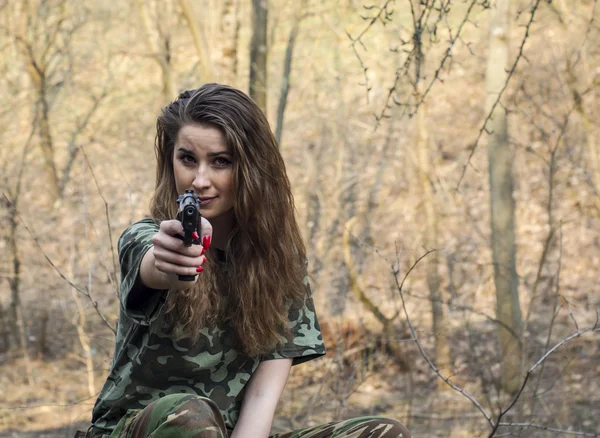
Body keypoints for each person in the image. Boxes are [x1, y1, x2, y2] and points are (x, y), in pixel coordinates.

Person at [80, 84, 411, 438]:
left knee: (386, 433)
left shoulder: (279, 259)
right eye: (187, 159)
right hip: (134, 431)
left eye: (221, 162)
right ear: (170, 159)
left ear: (251, 169)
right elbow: (154, 262)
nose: (200, 180)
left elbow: (263, 395)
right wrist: (172, 260)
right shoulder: (145, 237)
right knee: (191, 416)